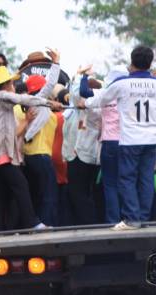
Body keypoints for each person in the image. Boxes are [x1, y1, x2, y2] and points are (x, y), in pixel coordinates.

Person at [0, 57, 63, 232]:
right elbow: (27, 100)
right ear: (5, 85)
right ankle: (32, 222)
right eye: (11, 83)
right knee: (21, 185)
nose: (14, 86)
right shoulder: (1, 96)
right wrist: (49, 103)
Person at [100, 46, 156, 230]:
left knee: (127, 179)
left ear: (132, 62)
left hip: (130, 139)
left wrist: (84, 103)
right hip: (150, 139)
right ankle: (144, 218)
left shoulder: (122, 84)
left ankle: (132, 219)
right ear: (150, 63)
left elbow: (102, 99)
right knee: (147, 178)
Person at [80, 65, 128, 224]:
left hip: (109, 143)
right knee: (126, 182)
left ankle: (113, 221)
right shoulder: (131, 93)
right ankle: (128, 219)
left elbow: (84, 92)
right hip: (127, 143)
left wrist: (84, 76)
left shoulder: (105, 93)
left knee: (110, 184)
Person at [19, 74, 63, 226]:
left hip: (28, 157)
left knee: (36, 194)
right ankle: (46, 225)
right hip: (42, 156)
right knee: (49, 194)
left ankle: (37, 224)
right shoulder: (47, 111)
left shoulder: (24, 110)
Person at [64, 69, 103, 225]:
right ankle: (89, 223)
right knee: (86, 192)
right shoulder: (101, 103)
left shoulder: (88, 105)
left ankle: (88, 224)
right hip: (91, 155)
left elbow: (75, 93)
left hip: (80, 154)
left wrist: (82, 75)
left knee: (78, 193)